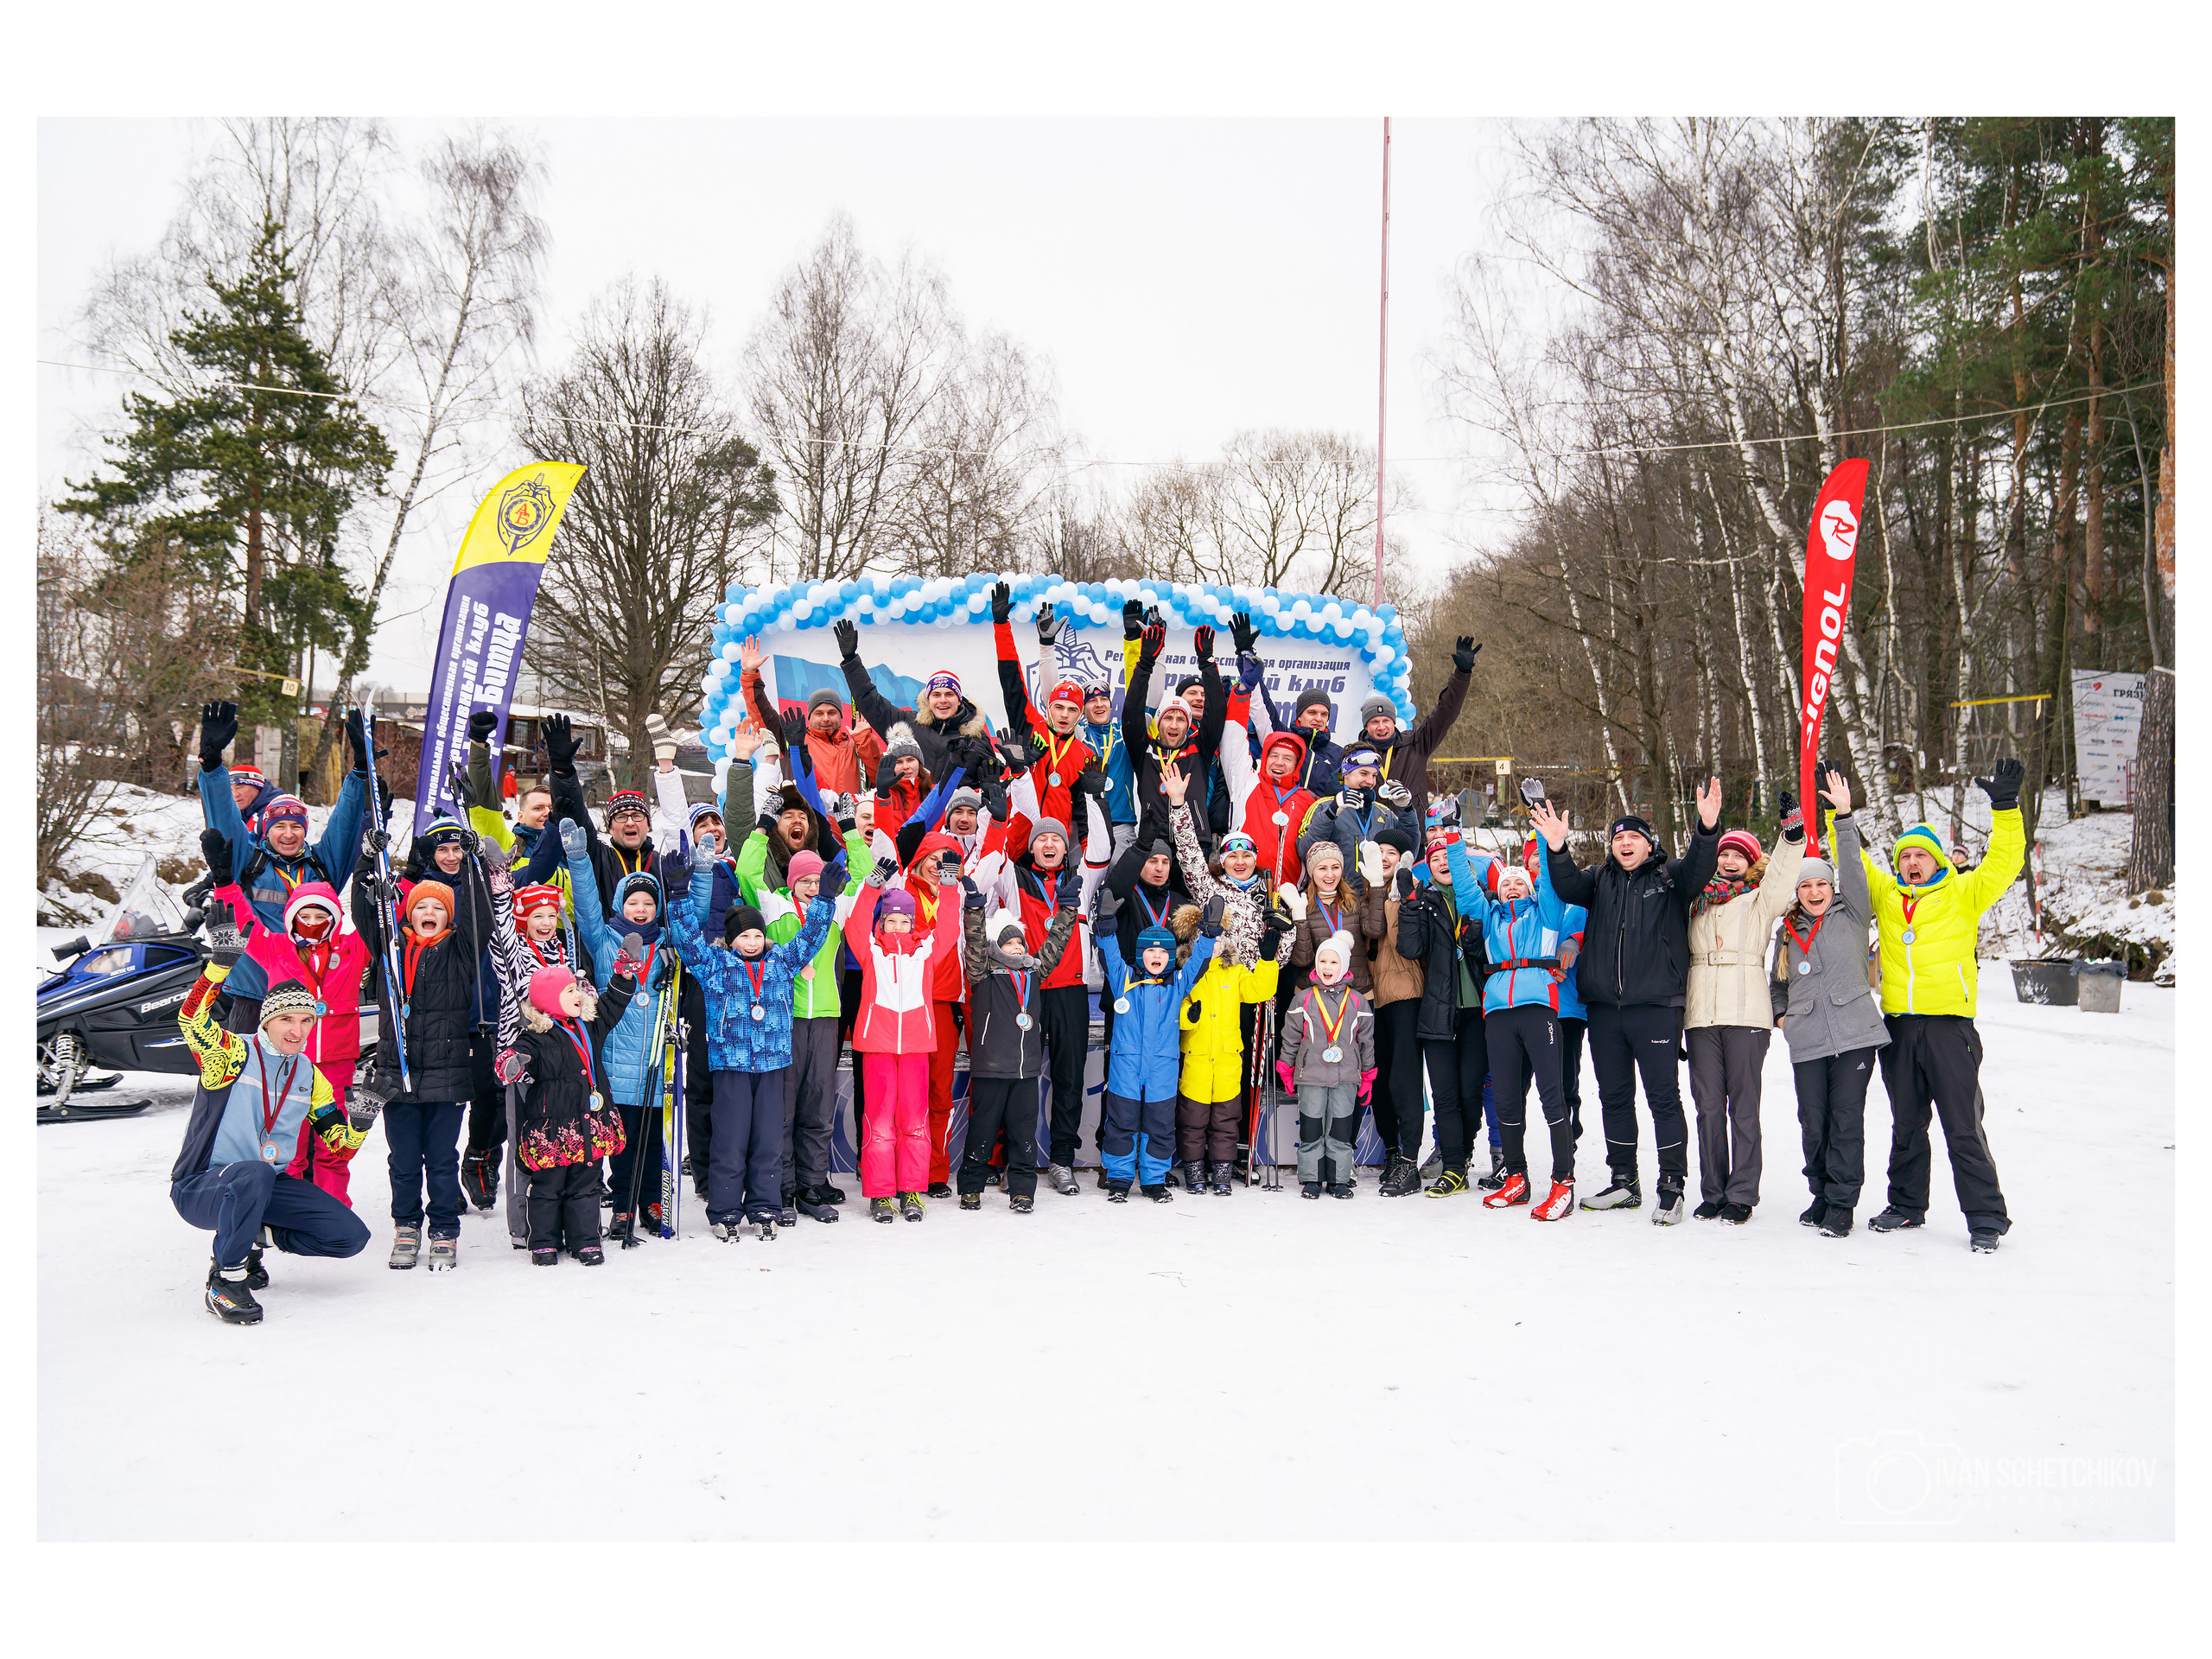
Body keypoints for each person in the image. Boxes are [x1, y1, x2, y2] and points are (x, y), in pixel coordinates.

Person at [169, 902, 372, 1324]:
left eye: (305, 1021)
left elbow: (340, 1146)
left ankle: (252, 1237)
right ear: (266, 1022)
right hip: (203, 1187)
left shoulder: (309, 1075)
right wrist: (219, 967)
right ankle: (226, 1280)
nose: (297, 1031)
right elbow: (191, 1019)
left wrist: (366, 1117)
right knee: (255, 1173)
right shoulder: (233, 1053)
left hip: (264, 1185)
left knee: (350, 1236)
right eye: (286, 1020)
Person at [1533, 780, 1723, 1225]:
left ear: (1648, 844)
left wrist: (1708, 827)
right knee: (1615, 1097)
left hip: (1656, 1006)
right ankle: (1624, 1181)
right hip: (1604, 1010)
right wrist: (1557, 848)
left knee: (1663, 1098)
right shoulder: (1598, 881)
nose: (1624, 844)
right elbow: (1563, 887)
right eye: (1618, 838)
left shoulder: (1669, 878)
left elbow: (1701, 864)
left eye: (1633, 837)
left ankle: (1671, 1187)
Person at [1860, 759, 2025, 1252]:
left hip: (1951, 1029)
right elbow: (1854, 862)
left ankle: (1986, 1218)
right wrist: (1836, 815)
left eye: (1922, 856)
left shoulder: (1962, 893)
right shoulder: (1888, 896)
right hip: (1899, 1028)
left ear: (1937, 861)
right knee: (1907, 1125)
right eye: (1905, 856)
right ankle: (1907, 1206)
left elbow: (2004, 863)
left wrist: (2005, 808)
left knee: (1962, 1125)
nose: (1913, 863)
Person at [666, 842, 838, 1243]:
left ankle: (765, 1205)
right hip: (731, 1066)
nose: (751, 942)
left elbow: (812, 938)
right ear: (731, 940)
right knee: (730, 1139)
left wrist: (825, 899)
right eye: (743, 936)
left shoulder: (779, 963)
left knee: (767, 1141)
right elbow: (689, 943)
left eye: (757, 934)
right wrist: (678, 897)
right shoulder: (715, 967)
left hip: (773, 1065)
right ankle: (725, 1209)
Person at [202, 829, 370, 1205]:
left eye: (320, 915)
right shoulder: (276, 947)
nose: (312, 922)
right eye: (304, 915)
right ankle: (284, 1205)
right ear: (292, 919)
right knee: (289, 1139)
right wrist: (225, 882)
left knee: (333, 1140)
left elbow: (384, 923)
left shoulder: (351, 948)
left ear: (334, 919)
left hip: (337, 1061)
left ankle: (330, 1206)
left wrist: (377, 870)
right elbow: (243, 921)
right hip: (289, 1061)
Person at [352, 821, 487, 1272]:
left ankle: (445, 1228)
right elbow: (364, 913)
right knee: (404, 1161)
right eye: (421, 906)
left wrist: (473, 866)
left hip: (447, 1075)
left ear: (450, 915)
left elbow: (480, 915)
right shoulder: (389, 948)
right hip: (398, 1073)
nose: (429, 911)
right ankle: (406, 1226)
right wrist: (366, 862)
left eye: (438, 907)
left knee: (443, 1160)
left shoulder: (461, 950)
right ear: (408, 913)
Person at [560, 824, 702, 1244]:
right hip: (614, 1062)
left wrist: (704, 872)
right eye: (633, 901)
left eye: (648, 902)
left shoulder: (668, 945)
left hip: (660, 1061)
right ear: (622, 903)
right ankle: (621, 1204)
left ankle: (652, 1202)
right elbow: (586, 905)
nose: (641, 909)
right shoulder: (605, 941)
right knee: (620, 1142)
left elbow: (695, 907)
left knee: (656, 1141)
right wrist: (579, 860)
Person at [195, 700, 374, 1031]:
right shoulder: (247, 861)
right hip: (253, 994)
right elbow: (224, 815)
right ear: (266, 830)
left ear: (305, 831)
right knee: (244, 1078)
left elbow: (346, 823)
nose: (288, 834)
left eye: (296, 827)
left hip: (307, 999)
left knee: (306, 1081)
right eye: (279, 826)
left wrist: (361, 770)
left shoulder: (322, 866)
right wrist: (212, 766)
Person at [1771, 770, 1888, 1240]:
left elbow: (1854, 865)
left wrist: (1843, 816)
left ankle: (1842, 1203)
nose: (1814, 893)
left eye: (1820, 885)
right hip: (1808, 1038)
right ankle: (1819, 1193)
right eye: (1805, 888)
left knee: (1846, 1120)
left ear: (1830, 887)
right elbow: (1777, 982)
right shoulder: (1786, 931)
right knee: (1812, 1120)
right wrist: (1781, 1015)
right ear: (1797, 894)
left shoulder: (1853, 910)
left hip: (1855, 1033)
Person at [1683, 795, 1808, 1224]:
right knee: (1709, 1107)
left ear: (1751, 862)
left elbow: (1784, 875)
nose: (1731, 860)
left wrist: (1792, 834)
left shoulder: (1760, 900)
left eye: (1740, 855)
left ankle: (1742, 1193)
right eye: (1725, 854)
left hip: (1747, 1014)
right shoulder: (1695, 899)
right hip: (1700, 1013)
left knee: (1744, 1106)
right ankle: (1712, 1190)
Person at [1442, 832, 1579, 1221]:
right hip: (1499, 1011)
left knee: (1553, 1097)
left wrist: (1547, 838)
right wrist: (1453, 839)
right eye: (1506, 884)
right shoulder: (1488, 919)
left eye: (1520, 882)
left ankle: (1563, 1182)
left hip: (1538, 1008)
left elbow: (1550, 884)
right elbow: (1466, 886)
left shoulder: (1545, 914)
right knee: (1505, 1098)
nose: (1513, 887)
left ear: (1531, 888)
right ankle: (1516, 1176)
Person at [957, 868, 1082, 1212]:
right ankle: (971, 1187)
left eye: (1020, 942)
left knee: (1024, 1133)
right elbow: (976, 941)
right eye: (1009, 942)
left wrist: (1068, 909)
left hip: (1025, 1071)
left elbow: (1055, 943)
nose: (1016, 947)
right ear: (998, 946)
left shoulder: (1033, 972)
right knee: (982, 1130)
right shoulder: (982, 973)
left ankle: (1023, 1190)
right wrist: (974, 909)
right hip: (991, 1068)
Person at [849, 858, 961, 1223]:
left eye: (904, 921)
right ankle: (881, 1194)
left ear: (914, 923)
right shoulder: (871, 950)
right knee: (879, 1122)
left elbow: (948, 927)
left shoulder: (926, 950)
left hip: (915, 1045)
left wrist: (947, 886)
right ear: (882, 923)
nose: (897, 927)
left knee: (915, 1121)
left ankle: (912, 1189)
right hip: (878, 1045)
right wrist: (872, 887)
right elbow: (855, 923)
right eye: (891, 921)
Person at [510, 957, 638, 1265]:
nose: (579, 995)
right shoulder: (535, 1037)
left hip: (589, 1125)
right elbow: (515, 1057)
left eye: (576, 988)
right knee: (548, 1187)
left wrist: (623, 974)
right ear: (550, 1000)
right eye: (569, 991)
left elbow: (613, 1004)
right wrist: (512, 1062)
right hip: (552, 1129)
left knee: (586, 1184)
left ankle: (586, 1241)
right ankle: (544, 1241)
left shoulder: (590, 1024)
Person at [1096, 908, 1217, 1201]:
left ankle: (1153, 1178)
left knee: (1159, 1125)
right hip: (1126, 1065)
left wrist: (1209, 935)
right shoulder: (1123, 978)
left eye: (1162, 951)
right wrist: (1107, 929)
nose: (1157, 956)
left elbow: (1198, 963)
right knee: (1121, 1123)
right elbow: (1109, 957)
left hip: (1162, 1067)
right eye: (1150, 950)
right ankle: (1120, 1178)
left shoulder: (1177, 982)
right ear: (1141, 954)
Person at [1169, 894, 1285, 1197]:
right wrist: (1188, 1016)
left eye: (1219, 938)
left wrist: (1268, 961)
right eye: (1207, 939)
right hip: (1196, 1058)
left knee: (1225, 1120)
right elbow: (1174, 1009)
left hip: (1228, 1060)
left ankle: (1222, 1168)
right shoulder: (1186, 972)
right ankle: (1194, 1168)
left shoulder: (1234, 971)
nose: (1215, 945)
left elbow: (1259, 990)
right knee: (1192, 1120)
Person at [1394, 837, 1489, 1196]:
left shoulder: (1480, 899)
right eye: (1435, 859)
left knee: (1470, 1093)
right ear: (1428, 868)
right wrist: (1410, 905)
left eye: (1449, 856)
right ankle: (1453, 1168)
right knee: (1446, 1095)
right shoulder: (1426, 902)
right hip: (1438, 1012)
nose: (1443, 862)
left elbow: (1488, 950)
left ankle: (1462, 1157)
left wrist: (1475, 935)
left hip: (1478, 1012)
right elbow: (1410, 948)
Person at [1276, 930, 1376, 1198]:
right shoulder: (1303, 999)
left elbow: (1366, 1043)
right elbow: (1290, 1038)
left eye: (1333, 962)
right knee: (1311, 1130)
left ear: (1343, 966)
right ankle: (1311, 1179)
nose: (1327, 967)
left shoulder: (1358, 1002)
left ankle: (1339, 1180)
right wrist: (1286, 1068)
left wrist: (1367, 1076)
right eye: (1322, 962)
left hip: (1346, 1079)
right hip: (1311, 1077)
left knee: (1340, 1132)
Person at [835, 618, 998, 781]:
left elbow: (991, 781)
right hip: (914, 806)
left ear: (959, 700)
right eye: (936, 695)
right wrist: (851, 660)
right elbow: (870, 701)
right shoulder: (909, 723)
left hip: (954, 806)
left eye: (949, 695)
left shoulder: (975, 738)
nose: (943, 700)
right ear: (928, 700)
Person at [1358, 830, 1427, 1196]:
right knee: (1380, 1079)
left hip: (1405, 994)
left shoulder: (1413, 888)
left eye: (1392, 852)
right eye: (1379, 851)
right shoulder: (1367, 889)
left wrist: (1396, 891)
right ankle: (1392, 1150)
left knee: (1404, 1078)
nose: (1384, 858)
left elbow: (1400, 935)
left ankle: (1411, 1160)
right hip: (1373, 997)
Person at [1354, 635, 1479, 830]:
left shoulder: (1416, 744)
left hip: (1413, 835)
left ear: (1393, 722)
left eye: (1386, 721)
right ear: (1366, 726)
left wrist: (1462, 674)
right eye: (1374, 722)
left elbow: (1446, 713)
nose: (1381, 727)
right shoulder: (1354, 756)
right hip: (1371, 838)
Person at [1122, 615, 1226, 840]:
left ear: (1188, 726)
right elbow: (1132, 712)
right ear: (1158, 724)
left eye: (1181, 720)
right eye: (1168, 718)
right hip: (1152, 843)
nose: (1174, 725)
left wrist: (1207, 661)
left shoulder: (1200, 749)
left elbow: (1216, 711)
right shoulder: (1144, 750)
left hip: (1195, 840)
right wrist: (1145, 664)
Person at [740, 632, 882, 795]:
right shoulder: (792, 741)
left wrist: (865, 741)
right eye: (819, 713)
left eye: (832, 712)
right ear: (809, 717)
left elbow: (879, 779)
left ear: (841, 716)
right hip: (804, 819)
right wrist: (750, 674)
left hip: (848, 819)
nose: (826, 718)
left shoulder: (856, 747)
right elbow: (762, 714)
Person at [1297, 743, 1408, 874]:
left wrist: (1406, 809)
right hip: (1337, 893)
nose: (1370, 781)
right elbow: (1305, 852)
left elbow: (1408, 850)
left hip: (1375, 892)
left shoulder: (1384, 813)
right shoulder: (1323, 806)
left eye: (1373, 775)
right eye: (1364, 773)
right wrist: (1330, 813)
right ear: (1346, 774)